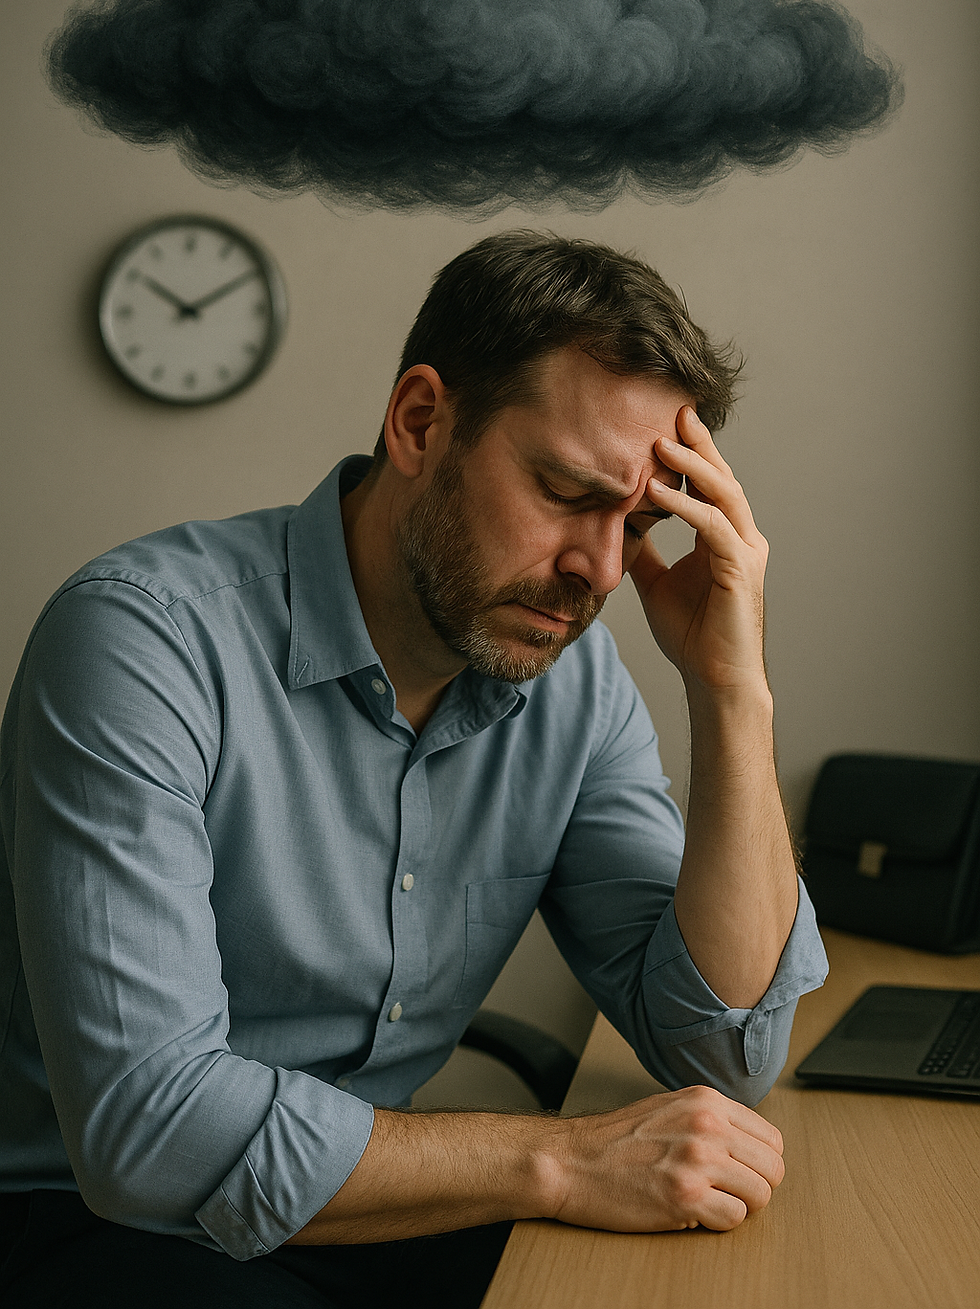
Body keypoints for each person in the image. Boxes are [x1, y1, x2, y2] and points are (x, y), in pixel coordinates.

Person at [0, 230, 828, 1307]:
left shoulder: (567, 686)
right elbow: (149, 1132)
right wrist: (564, 1159)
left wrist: (730, 692)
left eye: (639, 522)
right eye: (567, 491)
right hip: (89, 1227)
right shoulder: (140, 643)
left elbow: (720, 1054)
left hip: (369, 1214)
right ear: (420, 422)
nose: (601, 570)